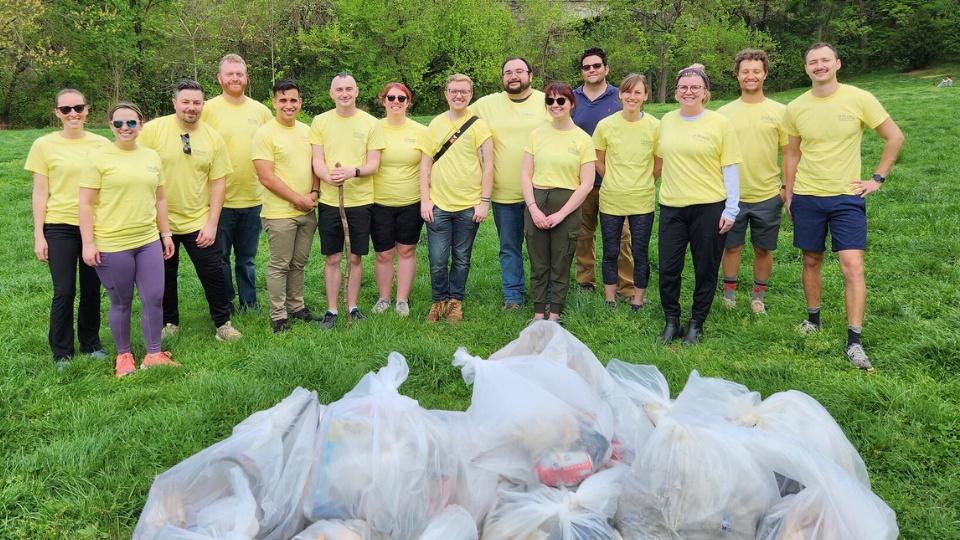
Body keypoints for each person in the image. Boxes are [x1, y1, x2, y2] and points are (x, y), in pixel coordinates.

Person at [783, 42, 904, 371]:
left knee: (852, 266)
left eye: (825, 60)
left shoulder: (859, 99)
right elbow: (792, 153)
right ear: (806, 68)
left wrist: (877, 178)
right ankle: (813, 320)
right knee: (811, 259)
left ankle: (854, 340)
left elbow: (895, 136)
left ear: (837, 63)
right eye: (812, 62)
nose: (819, 66)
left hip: (847, 197)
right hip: (807, 196)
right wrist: (788, 191)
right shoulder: (794, 107)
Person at [139, 79, 243, 342]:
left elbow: (219, 183)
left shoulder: (212, 138)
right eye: (185, 102)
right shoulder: (152, 131)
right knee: (164, 276)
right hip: (159, 222)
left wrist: (211, 223)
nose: (191, 107)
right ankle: (169, 322)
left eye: (197, 102)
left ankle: (223, 323)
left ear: (203, 105)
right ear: (174, 103)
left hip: (199, 220)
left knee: (214, 274)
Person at [79, 102, 177, 377]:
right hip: (112, 244)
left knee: (154, 298)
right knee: (121, 302)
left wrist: (165, 233)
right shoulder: (98, 158)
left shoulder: (151, 156)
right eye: (119, 123)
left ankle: (154, 353)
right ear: (110, 126)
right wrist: (88, 243)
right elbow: (85, 204)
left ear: (141, 125)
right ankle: (124, 356)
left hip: (147, 240)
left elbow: (160, 198)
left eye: (131, 123)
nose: (125, 128)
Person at [656, 65, 742, 346]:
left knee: (705, 267)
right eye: (683, 87)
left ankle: (696, 322)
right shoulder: (666, 121)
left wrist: (731, 209)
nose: (688, 91)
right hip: (672, 206)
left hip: (709, 207)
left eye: (695, 87)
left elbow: (729, 167)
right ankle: (672, 321)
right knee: (669, 267)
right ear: (676, 92)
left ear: (705, 92)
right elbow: (660, 159)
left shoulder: (719, 123)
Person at [25, 89, 109, 370]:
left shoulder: (101, 144)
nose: (72, 113)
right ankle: (61, 353)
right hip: (59, 226)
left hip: (94, 228)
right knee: (64, 291)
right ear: (57, 113)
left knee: (91, 289)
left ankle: (91, 344)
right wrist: (39, 235)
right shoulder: (43, 145)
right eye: (65, 109)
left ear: (87, 110)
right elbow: (39, 193)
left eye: (78, 107)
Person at [471, 57, 549, 310]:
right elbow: (456, 119)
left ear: (531, 75)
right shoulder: (486, 105)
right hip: (504, 192)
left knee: (542, 249)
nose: (513, 76)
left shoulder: (547, 100)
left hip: (542, 190)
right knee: (509, 248)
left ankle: (546, 295)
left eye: (519, 71)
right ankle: (513, 296)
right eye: (507, 72)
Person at [310, 72, 385, 329]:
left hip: (360, 201)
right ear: (331, 94)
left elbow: (373, 164)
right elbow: (317, 160)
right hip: (331, 202)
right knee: (332, 257)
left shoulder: (370, 123)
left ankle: (352, 306)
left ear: (357, 92)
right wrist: (327, 178)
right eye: (339, 89)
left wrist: (353, 172)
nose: (344, 93)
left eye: (349, 89)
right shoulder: (320, 122)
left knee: (355, 257)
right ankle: (332, 310)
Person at [718, 49, 789, 315]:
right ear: (737, 76)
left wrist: (784, 190)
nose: (751, 76)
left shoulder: (781, 112)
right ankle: (729, 296)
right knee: (732, 247)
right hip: (732, 196)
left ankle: (758, 297)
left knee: (763, 249)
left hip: (768, 195)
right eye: (745, 71)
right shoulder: (723, 113)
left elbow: (790, 154)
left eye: (756, 71)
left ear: (765, 74)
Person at [419, 73, 493, 324]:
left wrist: (484, 202)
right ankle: (438, 300)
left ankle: (455, 302)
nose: (458, 95)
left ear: (471, 95)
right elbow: (425, 165)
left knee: (462, 258)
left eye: (464, 91)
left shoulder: (479, 126)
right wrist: (425, 200)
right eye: (454, 91)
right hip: (438, 204)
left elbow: (488, 167)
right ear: (446, 94)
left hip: (468, 206)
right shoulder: (435, 125)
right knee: (438, 258)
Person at [201, 54, 273, 312]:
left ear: (246, 78)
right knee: (219, 258)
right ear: (220, 78)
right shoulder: (206, 109)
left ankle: (249, 303)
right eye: (229, 74)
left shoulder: (261, 112)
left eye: (239, 74)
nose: (235, 78)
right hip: (218, 200)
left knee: (247, 259)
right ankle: (225, 303)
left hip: (254, 198)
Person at [521, 82, 596, 321]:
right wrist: (533, 209)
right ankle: (537, 314)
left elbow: (586, 183)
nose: (555, 105)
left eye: (560, 100)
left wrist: (561, 214)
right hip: (538, 201)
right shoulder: (536, 135)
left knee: (561, 263)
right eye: (550, 101)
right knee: (539, 264)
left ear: (571, 104)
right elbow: (525, 175)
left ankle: (554, 315)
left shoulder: (582, 139)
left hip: (567, 205)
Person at [252, 79, 320, 334]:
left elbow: (316, 165)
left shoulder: (307, 130)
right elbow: (266, 177)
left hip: (308, 209)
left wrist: (313, 193)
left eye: (293, 100)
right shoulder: (264, 134)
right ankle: (278, 316)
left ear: (300, 103)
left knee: (299, 263)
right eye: (283, 100)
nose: (288, 105)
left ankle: (296, 306)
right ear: (274, 103)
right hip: (279, 213)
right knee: (280, 265)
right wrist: (297, 198)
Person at [593, 74, 661, 313]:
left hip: (642, 200)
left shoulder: (654, 125)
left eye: (638, 92)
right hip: (611, 198)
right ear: (620, 94)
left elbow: (658, 162)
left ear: (645, 96)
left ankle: (637, 301)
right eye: (628, 92)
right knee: (610, 250)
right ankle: (610, 299)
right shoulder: (606, 126)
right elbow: (598, 161)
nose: (632, 97)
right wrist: (612, 179)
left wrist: (644, 181)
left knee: (640, 253)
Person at [572, 46, 634, 299]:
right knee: (583, 235)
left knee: (621, 237)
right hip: (581, 181)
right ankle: (586, 283)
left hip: (614, 180)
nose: (592, 70)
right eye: (586, 67)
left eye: (596, 66)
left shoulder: (621, 98)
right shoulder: (571, 98)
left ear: (606, 69)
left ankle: (626, 287)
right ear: (582, 71)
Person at [369, 82, 427, 318]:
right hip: (379, 201)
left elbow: (427, 167)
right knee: (384, 253)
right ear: (383, 101)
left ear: (408, 102)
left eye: (401, 98)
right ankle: (384, 298)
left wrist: (426, 199)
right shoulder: (373, 128)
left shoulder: (421, 131)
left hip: (411, 201)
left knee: (406, 250)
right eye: (390, 98)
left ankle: (402, 300)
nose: (396, 102)